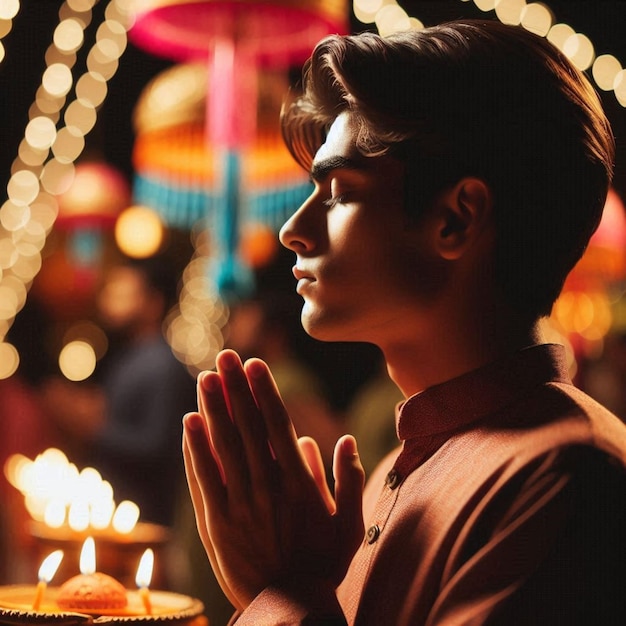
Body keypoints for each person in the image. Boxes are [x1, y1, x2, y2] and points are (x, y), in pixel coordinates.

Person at [182, 19, 626, 625]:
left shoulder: (565, 480)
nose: (293, 230)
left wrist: (283, 591)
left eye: (338, 191)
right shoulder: (401, 466)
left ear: (456, 219)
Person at [45, 255, 196, 528]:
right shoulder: (129, 356)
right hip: (115, 510)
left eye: (122, 293)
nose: (109, 300)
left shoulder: (162, 366)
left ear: (153, 304)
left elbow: (158, 447)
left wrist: (92, 427)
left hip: (144, 518)